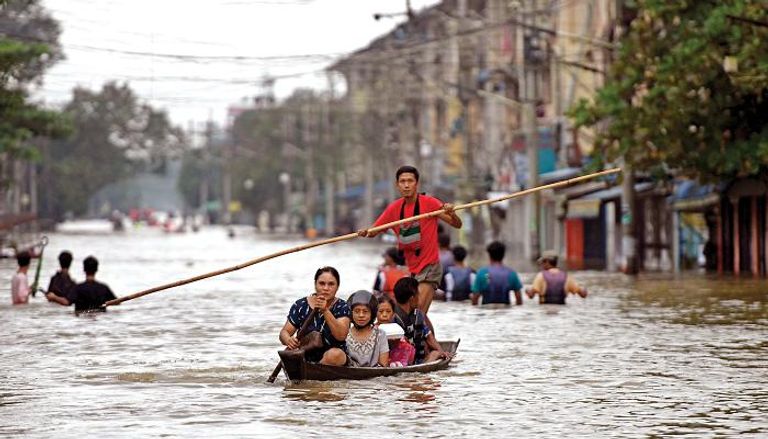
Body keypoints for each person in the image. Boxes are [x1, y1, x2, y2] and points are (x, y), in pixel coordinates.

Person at [358, 165, 462, 326]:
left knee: (418, 309)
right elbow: (374, 230)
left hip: (430, 267)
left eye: (410, 181)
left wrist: (452, 212)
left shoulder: (429, 203)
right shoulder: (394, 209)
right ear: (397, 185)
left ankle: (421, 346)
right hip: (412, 270)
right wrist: (366, 232)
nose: (406, 185)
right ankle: (428, 344)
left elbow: (457, 224)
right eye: (402, 181)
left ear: (416, 184)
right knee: (411, 312)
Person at [278, 266, 351, 366]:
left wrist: (325, 310)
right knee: (289, 355)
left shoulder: (342, 306)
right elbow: (284, 332)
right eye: (321, 283)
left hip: (334, 360)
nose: (326, 288)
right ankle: (308, 371)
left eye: (331, 284)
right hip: (305, 355)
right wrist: (288, 340)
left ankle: (314, 371)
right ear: (315, 285)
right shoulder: (300, 305)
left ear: (337, 287)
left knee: (335, 355)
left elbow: (341, 335)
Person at [391, 277, 450, 364]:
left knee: (435, 353)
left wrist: (441, 352)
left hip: (417, 359)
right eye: (418, 295)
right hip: (399, 361)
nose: (419, 298)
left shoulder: (418, 315)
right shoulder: (393, 317)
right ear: (412, 299)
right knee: (434, 354)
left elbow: (429, 336)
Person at [471, 241, 523, 306]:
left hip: (486, 312)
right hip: (506, 312)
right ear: (503, 255)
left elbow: (475, 300)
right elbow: (519, 300)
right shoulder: (512, 274)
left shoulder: (482, 273)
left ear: (489, 255)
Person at [345, 290, 389, 367]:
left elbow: (383, 364)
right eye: (357, 311)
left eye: (365, 311)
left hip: (375, 377)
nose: (361, 315)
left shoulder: (380, 334)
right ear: (351, 313)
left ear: (372, 314)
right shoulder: (344, 334)